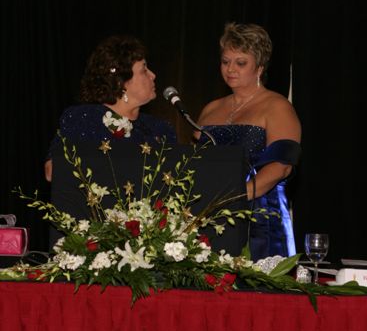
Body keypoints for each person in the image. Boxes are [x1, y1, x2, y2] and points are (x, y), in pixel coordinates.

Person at [195, 22, 302, 261]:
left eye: (240, 62)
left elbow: (280, 167)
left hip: (260, 220)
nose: (230, 69)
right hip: (212, 216)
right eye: (225, 61)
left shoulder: (277, 106)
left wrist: (231, 199)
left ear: (260, 67)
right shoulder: (210, 109)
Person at [45, 34, 176, 181]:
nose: (153, 75)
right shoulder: (84, 118)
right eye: (144, 70)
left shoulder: (161, 128)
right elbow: (53, 171)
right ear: (121, 82)